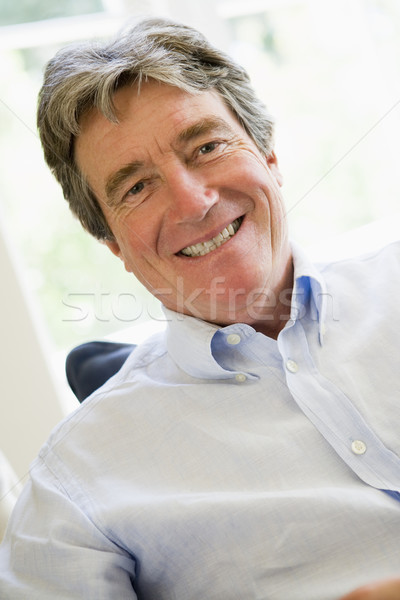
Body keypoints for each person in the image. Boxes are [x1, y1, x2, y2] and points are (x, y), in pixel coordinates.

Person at [0, 17, 399, 600]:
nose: (192, 201)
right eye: (135, 187)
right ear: (114, 244)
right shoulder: (73, 491)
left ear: (269, 155)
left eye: (207, 147)